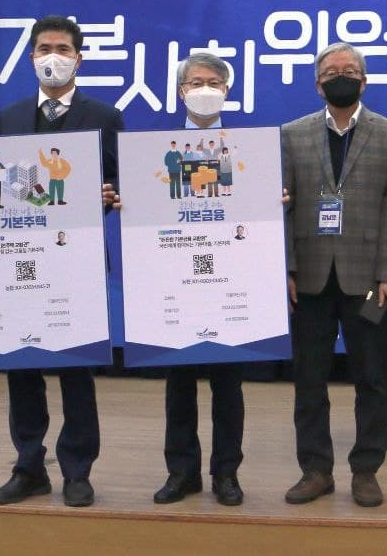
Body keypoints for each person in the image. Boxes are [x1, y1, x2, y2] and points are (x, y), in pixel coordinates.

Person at [0, 15, 123, 507]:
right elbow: (7, 185)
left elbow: (122, 186)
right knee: (21, 365)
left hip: (75, 262)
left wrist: (110, 195)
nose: (52, 57)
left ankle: (78, 470)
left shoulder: (105, 116)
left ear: (79, 59)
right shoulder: (11, 117)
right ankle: (29, 465)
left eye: (62, 49)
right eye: (44, 49)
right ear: (31, 57)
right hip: (20, 258)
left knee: (76, 368)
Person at [281, 42, 387, 508]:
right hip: (310, 278)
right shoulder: (291, 134)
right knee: (309, 381)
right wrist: (286, 269)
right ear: (318, 84)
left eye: (350, 71)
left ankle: (366, 470)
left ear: (364, 81)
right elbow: (283, 209)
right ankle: (315, 470)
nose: (342, 77)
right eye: (332, 72)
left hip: (369, 280)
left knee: (371, 380)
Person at [150, 52, 248, 507]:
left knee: (228, 385)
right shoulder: (157, 151)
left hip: (229, 279)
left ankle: (226, 473)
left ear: (226, 91)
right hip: (178, 281)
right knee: (179, 383)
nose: (204, 89)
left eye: (213, 82)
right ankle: (181, 472)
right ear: (180, 91)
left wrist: (276, 199)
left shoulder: (247, 151)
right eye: (195, 82)